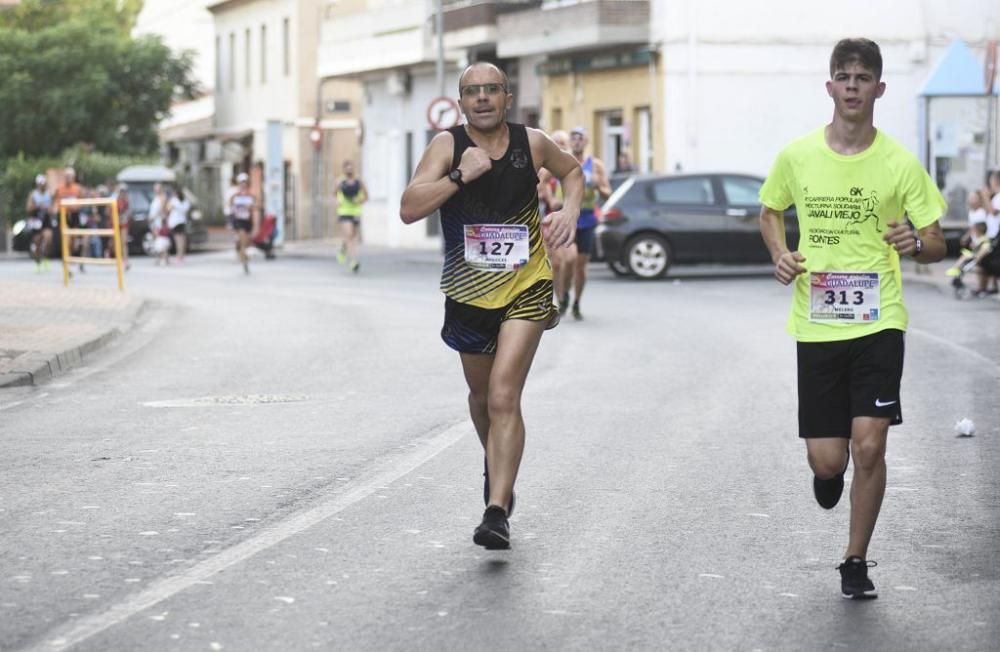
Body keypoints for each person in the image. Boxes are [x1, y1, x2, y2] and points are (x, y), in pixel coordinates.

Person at [759, 38, 947, 600]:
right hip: (817, 324)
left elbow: (937, 240)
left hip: (879, 320)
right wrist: (780, 252)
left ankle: (855, 559)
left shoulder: (899, 163)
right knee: (829, 457)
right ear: (830, 87)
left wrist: (914, 242)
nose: (852, 87)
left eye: (863, 79)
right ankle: (826, 474)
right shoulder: (797, 156)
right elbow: (770, 210)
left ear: (879, 89)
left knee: (870, 446)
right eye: (844, 77)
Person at [399, 61, 583, 550]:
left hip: (527, 284)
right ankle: (497, 465)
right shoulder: (447, 146)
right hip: (467, 291)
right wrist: (460, 175)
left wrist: (570, 209)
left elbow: (573, 171)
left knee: (504, 396)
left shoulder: (533, 142)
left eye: (492, 90)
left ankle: (496, 510)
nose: (482, 98)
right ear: (462, 103)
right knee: (482, 399)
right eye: (472, 91)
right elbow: (410, 207)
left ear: (507, 97)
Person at [559, 126, 611, 320]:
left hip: (587, 219)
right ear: (570, 142)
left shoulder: (595, 165)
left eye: (580, 138)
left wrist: (598, 184)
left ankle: (576, 302)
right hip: (566, 217)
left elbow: (608, 193)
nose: (577, 141)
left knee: (581, 266)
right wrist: (549, 198)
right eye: (573, 138)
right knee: (569, 258)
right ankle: (563, 294)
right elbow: (541, 181)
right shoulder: (561, 160)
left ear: (586, 141)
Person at [537, 130, 571, 306]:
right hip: (550, 218)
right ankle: (558, 297)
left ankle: (565, 291)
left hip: (573, 219)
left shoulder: (573, 166)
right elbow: (539, 187)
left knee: (571, 261)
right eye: (555, 142)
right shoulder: (545, 168)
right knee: (556, 261)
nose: (559, 146)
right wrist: (551, 200)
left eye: (562, 143)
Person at [53, 167, 85, 271]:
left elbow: (82, 202)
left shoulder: (77, 188)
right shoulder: (59, 189)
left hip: (75, 216)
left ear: (74, 177)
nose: (68, 178)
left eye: (70, 176)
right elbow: (56, 203)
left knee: (76, 241)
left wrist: (76, 206)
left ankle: (78, 261)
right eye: (67, 176)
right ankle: (66, 266)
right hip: (64, 216)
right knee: (66, 240)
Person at [230, 172, 257, 274]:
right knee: (242, 240)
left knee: (246, 241)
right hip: (239, 220)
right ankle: (244, 260)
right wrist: (236, 210)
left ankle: (243, 256)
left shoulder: (251, 195)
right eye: (241, 183)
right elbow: (230, 206)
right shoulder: (234, 195)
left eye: (245, 182)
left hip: (247, 221)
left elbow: (256, 205)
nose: (243, 184)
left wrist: (251, 206)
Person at [26, 174, 54, 272]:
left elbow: (52, 209)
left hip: (46, 220)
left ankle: (46, 257)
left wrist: (48, 208)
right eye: (40, 183)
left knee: (48, 239)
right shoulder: (33, 194)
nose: (42, 185)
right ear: (37, 184)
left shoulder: (49, 194)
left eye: (43, 183)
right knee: (37, 242)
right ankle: (38, 262)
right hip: (36, 220)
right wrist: (37, 206)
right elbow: (28, 209)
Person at [166, 185, 190, 264]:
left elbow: (168, 209)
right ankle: (182, 256)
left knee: (178, 240)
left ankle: (179, 256)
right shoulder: (185, 201)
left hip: (175, 222)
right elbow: (186, 211)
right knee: (183, 240)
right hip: (182, 221)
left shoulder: (174, 200)